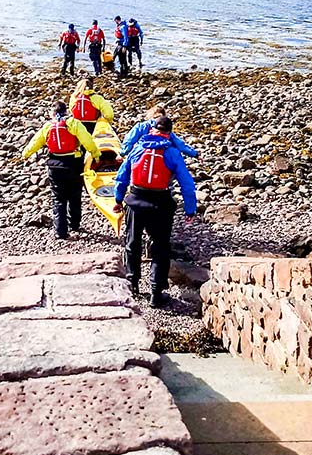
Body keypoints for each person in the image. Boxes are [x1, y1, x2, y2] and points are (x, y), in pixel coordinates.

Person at [114, 116, 197, 305]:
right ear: (169, 133)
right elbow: (187, 184)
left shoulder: (137, 148)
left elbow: (122, 177)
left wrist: (118, 200)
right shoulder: (173, 153)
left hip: (135, 200)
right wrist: (190, 210)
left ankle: (132, 283)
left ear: (152, 130)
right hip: (161, 203)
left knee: (132, 243)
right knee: (161, 247)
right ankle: (155, 292)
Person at [22, 101, 101, 240]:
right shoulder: (74, 123)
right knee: (75, 195)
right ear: (66, 111)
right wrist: (96, 155)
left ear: (53, 112)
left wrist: (25, 154)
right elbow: (87, 140)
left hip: (55, 165)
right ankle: (74, 225)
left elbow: (35, 142)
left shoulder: (48, 126)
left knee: (58, 198)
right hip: (73, 164)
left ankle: (60, 231)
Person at [121, 105, 198, 158]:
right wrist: (195, 154)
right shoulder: (166, 130)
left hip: (142, 156)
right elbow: (181, 145)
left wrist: (123, 153)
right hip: (160, 157)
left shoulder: (140, 126)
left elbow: (129, 141)